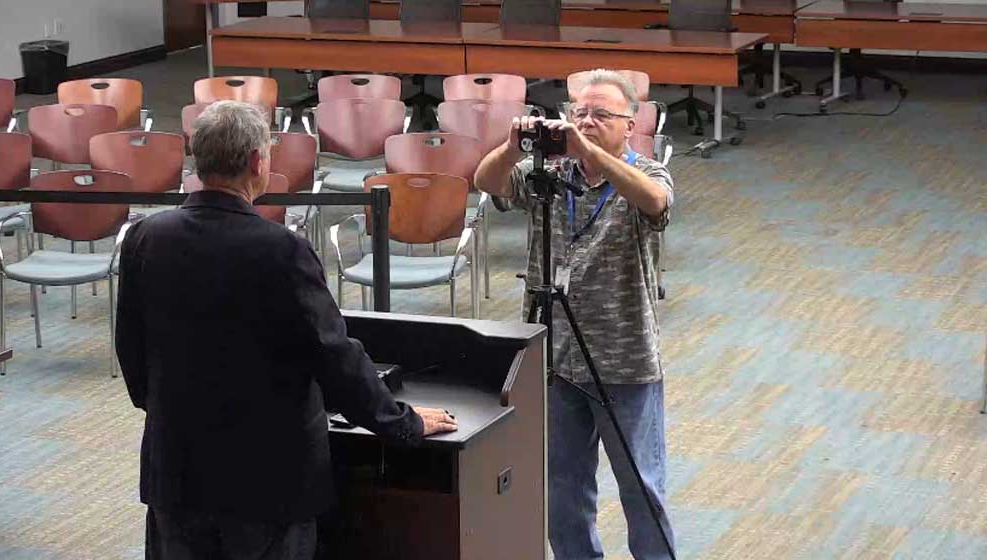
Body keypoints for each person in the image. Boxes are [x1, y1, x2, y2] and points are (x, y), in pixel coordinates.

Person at [115, 101, 458, 560]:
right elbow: (334, 356)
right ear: (259, 163)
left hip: (175, 474)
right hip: (265, 486)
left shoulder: (146, 237)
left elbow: (131, 353)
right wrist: (402, 423)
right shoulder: (281, 250)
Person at [474, 69, 675, 559]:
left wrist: (594, 156)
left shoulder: (647, 172)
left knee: (640, 486)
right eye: (579, 113)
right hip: (554, 354)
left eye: (601, 114)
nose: (586, 122)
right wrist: (511, 147)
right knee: (563, 488)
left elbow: (655, 203)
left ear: (631, 124)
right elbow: (486, 181)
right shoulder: (550, 176)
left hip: (623, 360)